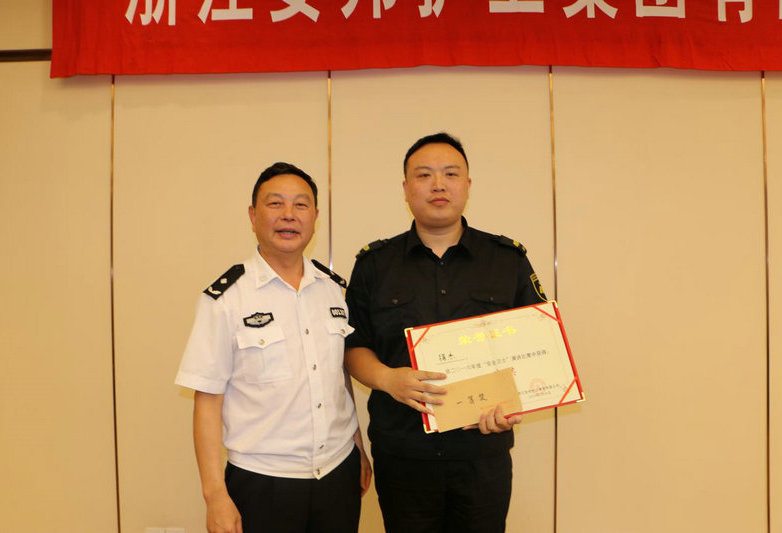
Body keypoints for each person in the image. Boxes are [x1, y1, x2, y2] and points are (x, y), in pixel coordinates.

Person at [344, 133, 548, 533]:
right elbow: (353, 346)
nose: (438, 185)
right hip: (403, 455)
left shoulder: (507, 260)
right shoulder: (374, 265)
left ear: (467, 185)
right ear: (406, 189)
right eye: (424, 175)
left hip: (482, 453)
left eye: (450, 174)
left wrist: (514, 404)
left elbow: (540, 346)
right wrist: (387, 378)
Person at [175, 162, 371, 533]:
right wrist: (214, 495)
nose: (288, 215)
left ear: (315, 217)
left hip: (338, 472)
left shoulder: (334, 290)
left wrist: (357, 446)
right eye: (275, 203)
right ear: (253, 216)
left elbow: (338, 377)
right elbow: (208, 400)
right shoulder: (226, 299)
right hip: (263, 482)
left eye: (301, 205)